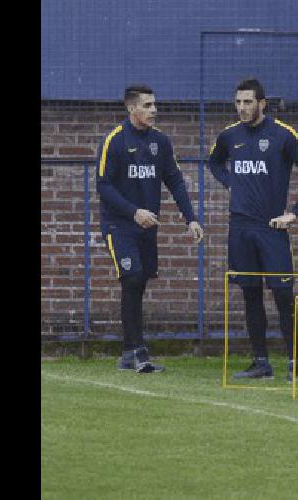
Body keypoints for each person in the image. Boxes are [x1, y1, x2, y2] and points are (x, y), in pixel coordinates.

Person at [208, 78, 298, 383]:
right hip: (240, 227)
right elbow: (213, 163)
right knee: (250, 294)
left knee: (283, 294)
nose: (242, 108)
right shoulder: (229, 136)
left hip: (271, 228)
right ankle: (261, 363)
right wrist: (231, 183)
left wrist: (294, 213)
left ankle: (296, 365)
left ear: (262, 103)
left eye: (248, 102)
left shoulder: (283, 135)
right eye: (238, 102)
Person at [96, 84, 204, 373]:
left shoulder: (160, 142)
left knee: (139, 283)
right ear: (131, 108)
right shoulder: (114, 141)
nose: (153, 110)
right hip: (120, 226)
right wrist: (134, 212)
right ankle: (138, 352)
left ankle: (128, 352)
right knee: (131, 279)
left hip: (148, 228)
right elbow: (103, 186)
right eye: (147, 105)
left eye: (155, 105)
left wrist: (190, 218)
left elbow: (175, 181)